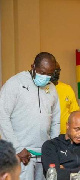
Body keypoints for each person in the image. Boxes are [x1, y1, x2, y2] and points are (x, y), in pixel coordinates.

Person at [0, 52, 60, 180]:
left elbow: (56, 120)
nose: (45, 77)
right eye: (42, 73)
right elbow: (2, 116)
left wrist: (52, 147)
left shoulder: (52, 89)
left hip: (44, 154)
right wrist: (17, 148)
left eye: (49, 74)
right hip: (22, 154)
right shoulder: (15, 83)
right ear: (33, 67)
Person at [51, 61, 80, 134]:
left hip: (65, 134)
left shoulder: (67, 88)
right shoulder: (40, 89)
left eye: (58, 70)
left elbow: (75, 113)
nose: (56, 73)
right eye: (53, 70)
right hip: (47, 134)